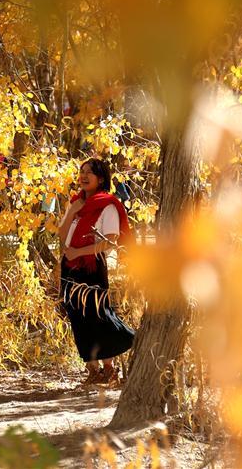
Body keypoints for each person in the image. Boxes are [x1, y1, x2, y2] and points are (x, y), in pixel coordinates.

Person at [58, 158, 135, 385]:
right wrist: (72, 210)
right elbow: (62, 236)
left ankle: (111, 366)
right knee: (77, 317)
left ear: (101, 178)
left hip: (92, 267)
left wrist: (79, 252)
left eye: (89, 173)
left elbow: (110, 241)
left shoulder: (108, 205)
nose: (83, 176)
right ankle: (93, 370)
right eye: (81, 172)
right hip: (70, 266)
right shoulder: (77, 203)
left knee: (98, 315)